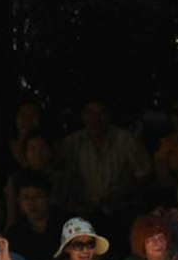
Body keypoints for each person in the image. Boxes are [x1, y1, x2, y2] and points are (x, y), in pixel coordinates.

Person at [57, 99, 150, 247]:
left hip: (121, 212)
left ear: (109, 115)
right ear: (83, 116)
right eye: (91, 114)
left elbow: (144, 174)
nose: (96, 119)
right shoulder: (72, 143)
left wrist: (123, 194)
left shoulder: (126, 140)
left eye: (101, 113)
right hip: (84, 216)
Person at [5, 170, 60, 260]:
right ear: (19, 201)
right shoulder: (15, 233)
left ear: (49, 198)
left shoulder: (66, 224)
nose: (32, 202)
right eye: (26, 197)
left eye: (38, 196)